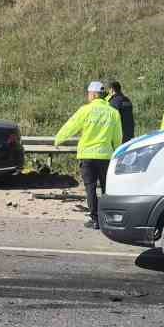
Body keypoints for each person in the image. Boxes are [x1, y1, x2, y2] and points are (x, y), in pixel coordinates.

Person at [55, 81, 124, 229]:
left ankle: (95, 219)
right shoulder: (113, 112)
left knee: (90, 187)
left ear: (93, 94)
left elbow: (71, 126)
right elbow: (118, 136)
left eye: (88, 94)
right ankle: (108, 218)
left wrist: (58, 139)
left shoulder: (85, 110)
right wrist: (117, 151)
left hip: (87, 156)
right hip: (105, 156)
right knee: (107, 189)